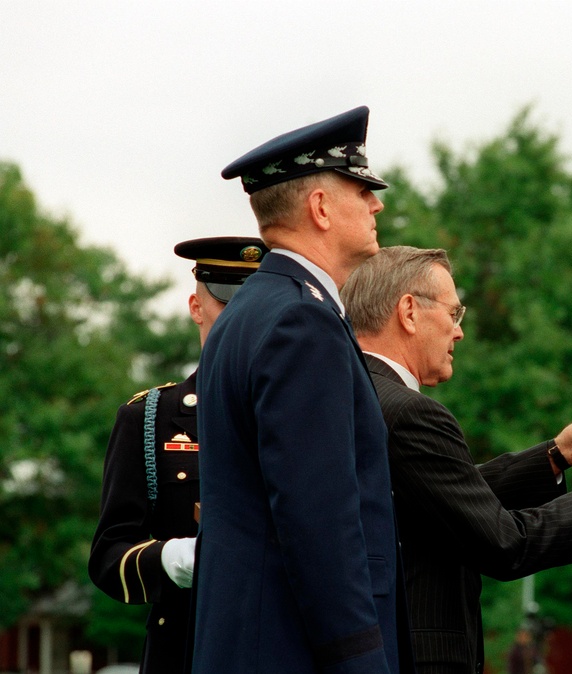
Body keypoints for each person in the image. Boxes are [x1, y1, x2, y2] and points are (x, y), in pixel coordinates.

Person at [340, 246, 572, 674]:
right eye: (453, 313)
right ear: (408, 312)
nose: (459, 332)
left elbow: (442, 497)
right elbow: (506, 545)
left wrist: (555, 455)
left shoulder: (347, 394)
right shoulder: (411, 413)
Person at [192, 106, 410, 674]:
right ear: (320, 208)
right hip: (295, 650)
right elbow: (319, 520)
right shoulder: (302, 321)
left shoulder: (250, 311)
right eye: (361, 190)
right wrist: (359, 659)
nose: (377, 205)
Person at [89, 235, 267, 674]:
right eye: (227, 304)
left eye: (256, 307)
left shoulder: (306, 413)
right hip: (185, 646)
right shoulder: (150, 418)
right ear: (196, 307)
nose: (241, 319)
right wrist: (174, 558)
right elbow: (109, 556)